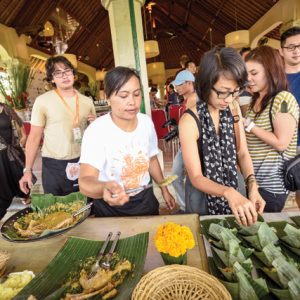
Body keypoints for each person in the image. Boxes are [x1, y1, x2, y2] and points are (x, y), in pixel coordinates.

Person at [179, 46, 265, 226]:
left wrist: (253, 186)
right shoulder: (190, 121)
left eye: (235, 91)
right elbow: (195, 177)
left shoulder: (233, 110)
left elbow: (242, 153)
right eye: (223, 91)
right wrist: (228, 192)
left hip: (236, 187)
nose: (228, 99)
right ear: (206, 84)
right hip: (202, 197)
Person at [79, 66, 175, 217]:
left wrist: (164, 189)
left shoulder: (146, 123)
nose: (132, 102)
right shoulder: (97, 131)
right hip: (111, 208)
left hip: (145, 200)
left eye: (136, 94)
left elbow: (151, 159)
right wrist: (104, 188)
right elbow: (85, 181)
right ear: (108, 97)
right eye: (123, 96)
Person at [19, 56, 96, 196]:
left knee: (86, 206)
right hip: (53, 165)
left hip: (83, 161)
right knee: (56, 209)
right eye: (58, 73)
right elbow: (34, 137)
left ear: (74, 74)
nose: (64, 75)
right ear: (52, 79)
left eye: (67, 71)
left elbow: (93, 136)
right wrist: (28, 170)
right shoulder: (42, 101)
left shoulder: (86, 101)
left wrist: (94, 125)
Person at [244, 45, 299, 212]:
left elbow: (281, 143)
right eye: (246, 74)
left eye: (254, 73)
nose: (249, 79)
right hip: (255, 183)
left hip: (271, 187)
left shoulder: (282, 100)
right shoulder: (256, 100)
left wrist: (250, 126)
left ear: (271, 71)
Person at [279, 26, 300, 209]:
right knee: (278, 196)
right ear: (282, 51)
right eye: (291, 47)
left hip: (299, 143)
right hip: (278, 145)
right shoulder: (275, 78)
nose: (297, 51)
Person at [171, 70, 196, 213]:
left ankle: (186, 207)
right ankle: (185, 206)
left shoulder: (193, 98)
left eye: (180, 85)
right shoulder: (187, 99)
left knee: (176, 176)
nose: (177, 88)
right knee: (177, 177)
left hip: (189, 145)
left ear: (189, 83)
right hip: (186, 144)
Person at [0, 103, 27, 219]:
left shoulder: (5, 108)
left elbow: (19, 123)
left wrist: (24, 136)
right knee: (3, 178)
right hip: (0, 152)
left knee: (19, 173)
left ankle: (24, 194)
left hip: (14, 148)